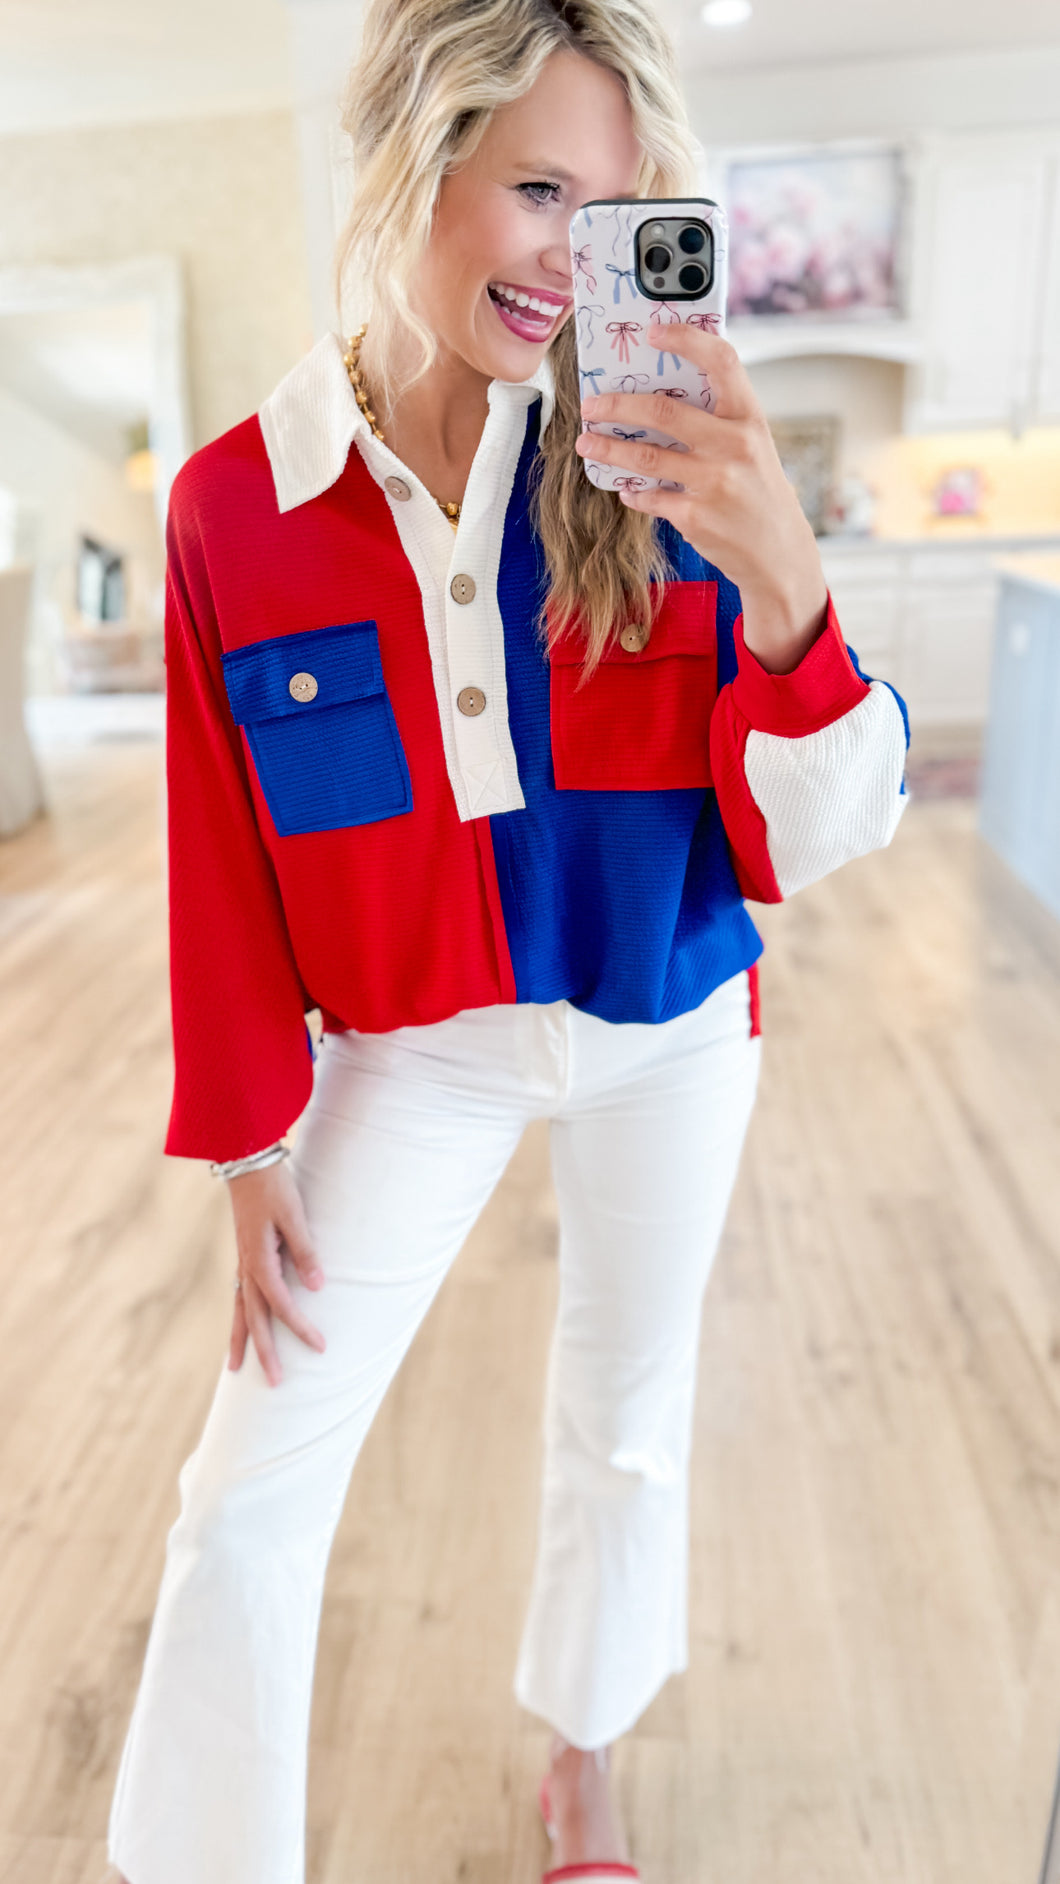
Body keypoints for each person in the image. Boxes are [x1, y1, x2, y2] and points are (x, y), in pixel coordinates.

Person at [106, 2, 909, 1881]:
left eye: (617, 209)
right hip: (420, 1051)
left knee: (626, 1417)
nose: (575, 257)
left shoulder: (661, 454)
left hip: (672, 1021)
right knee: (242, 1491)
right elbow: (216, 843)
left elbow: (825, 839)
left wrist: (782, 573)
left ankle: (584, 1756)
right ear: (408, 153)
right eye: (538, 188)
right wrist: (243, 1139)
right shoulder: (239, 506)